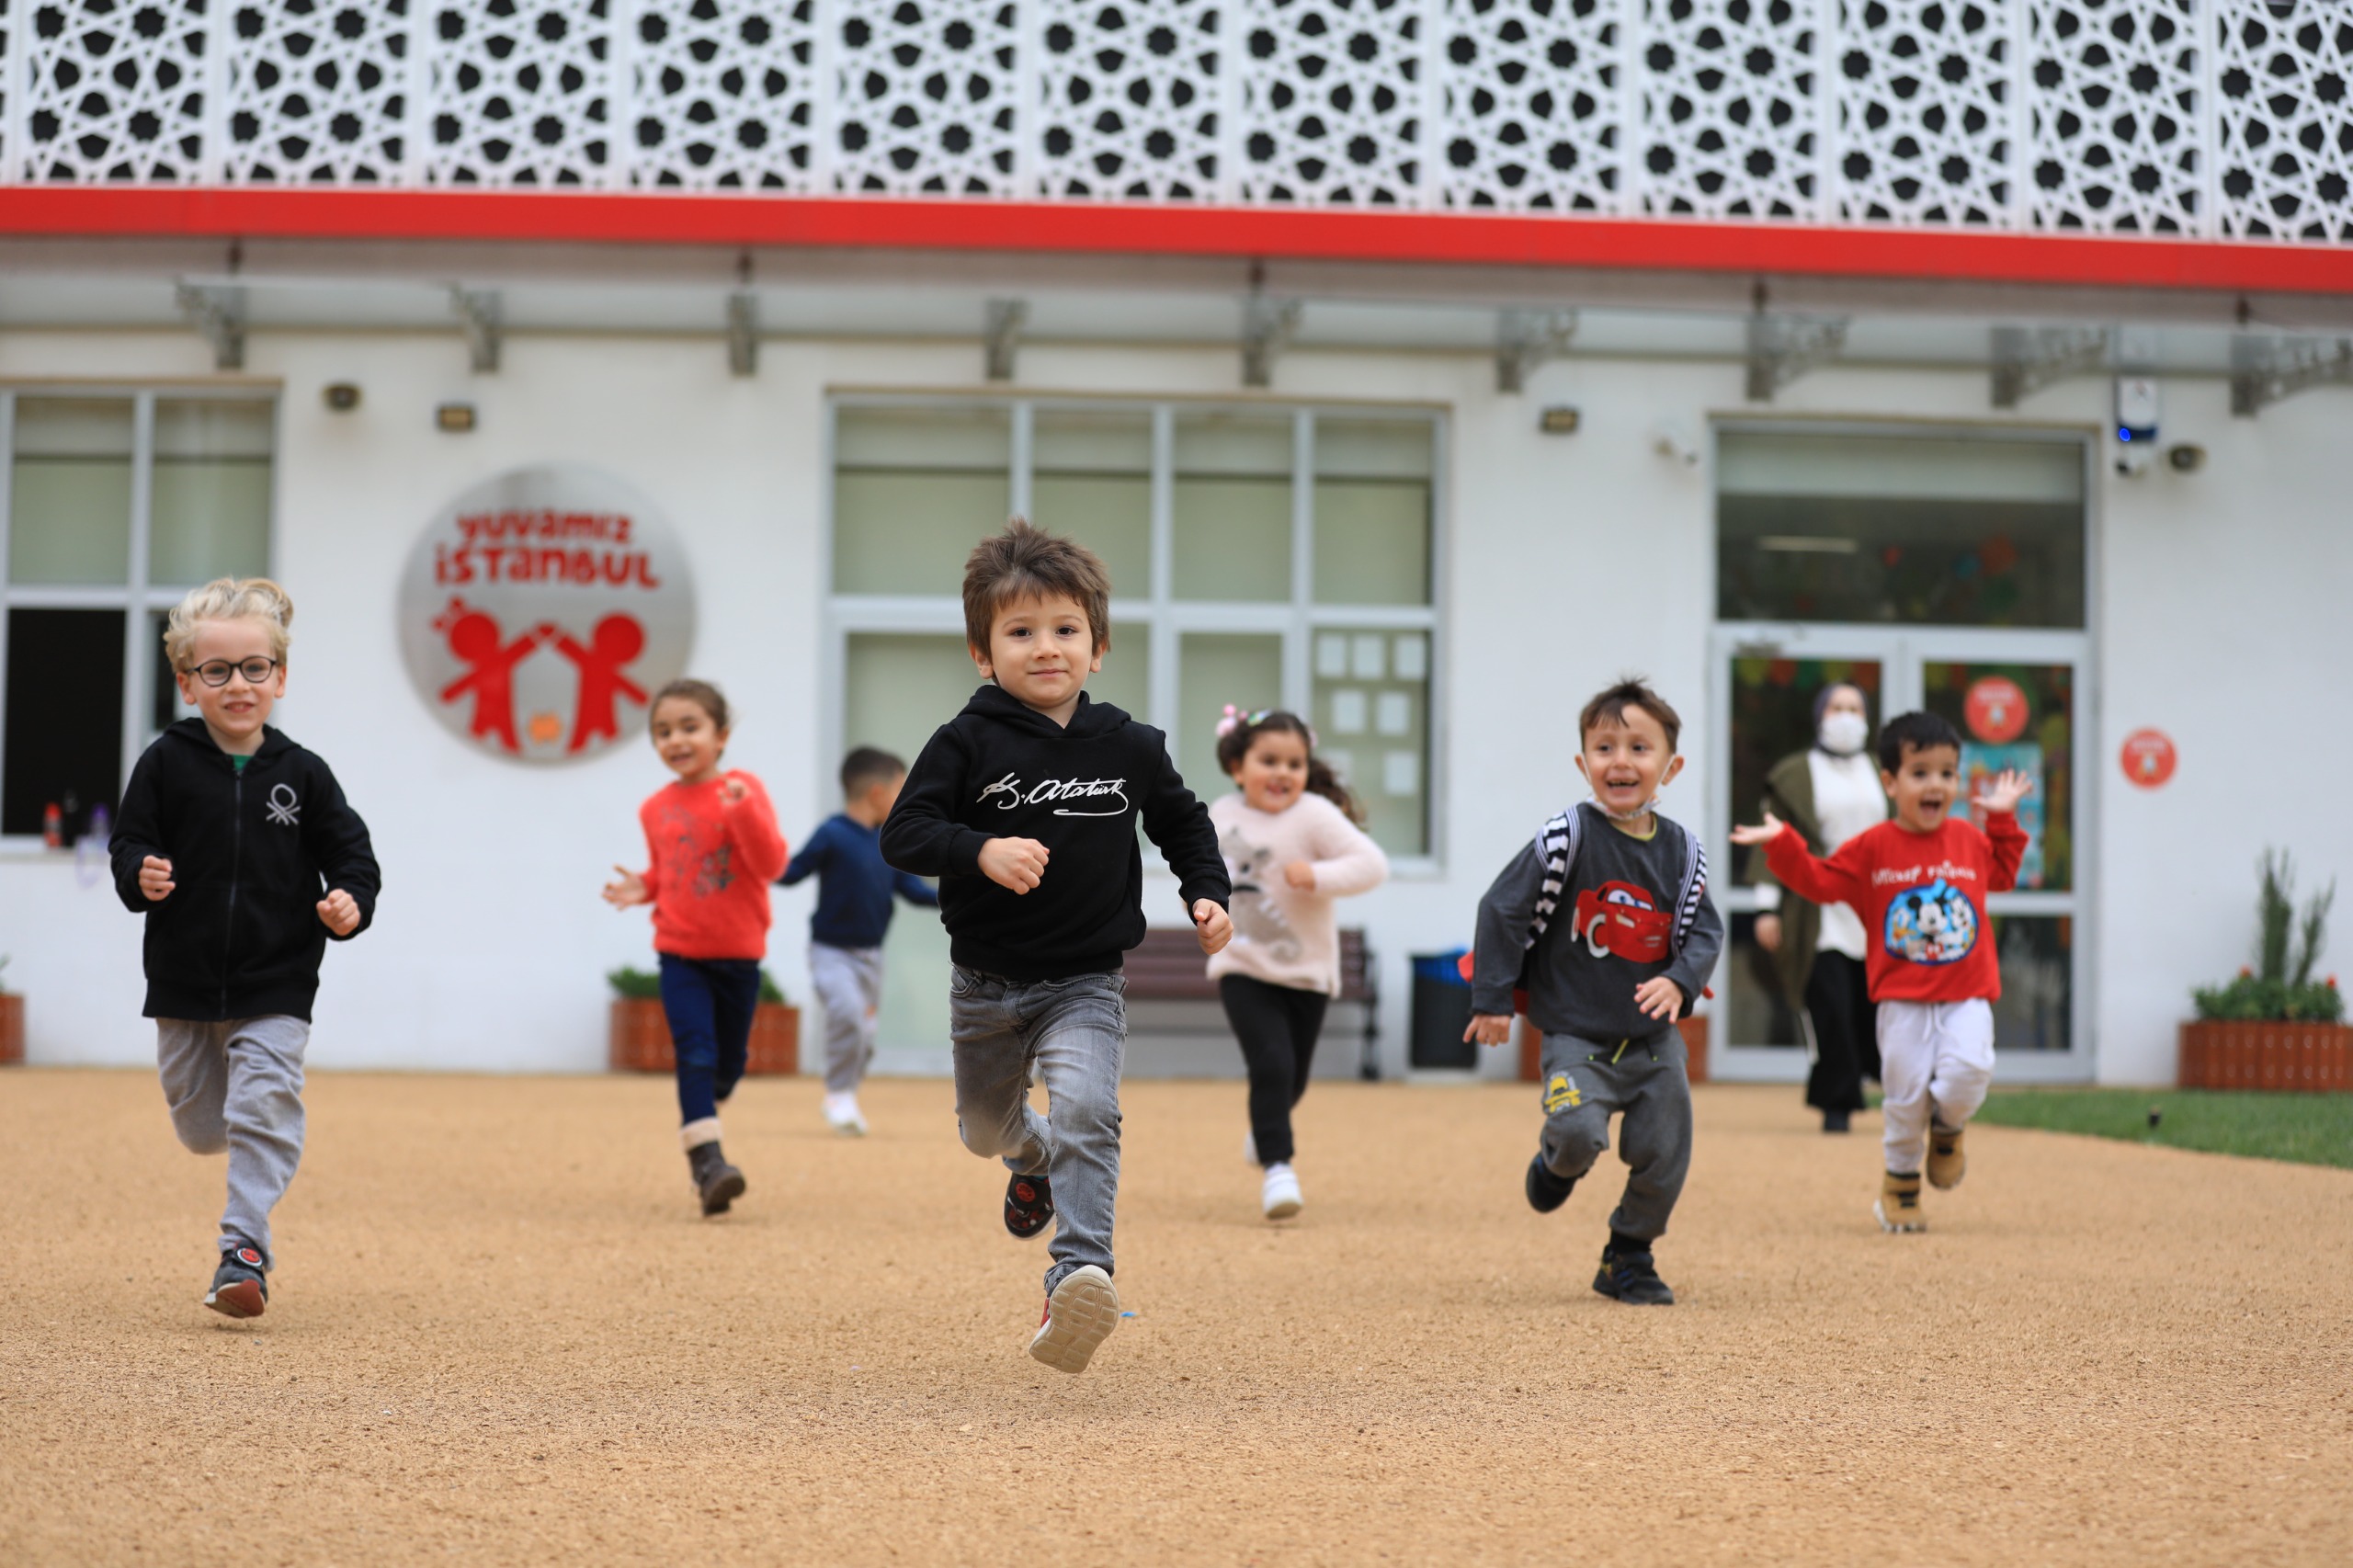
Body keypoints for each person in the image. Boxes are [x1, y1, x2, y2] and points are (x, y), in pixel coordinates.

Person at [881, 518, 1232, 1374]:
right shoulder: (966, 742)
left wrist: (1207, 890)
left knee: (1088, 1109)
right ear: (982, 651)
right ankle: (1029, 1163)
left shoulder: (1132, 746)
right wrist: (979, 850)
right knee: (982, 1131)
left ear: (1099, 646)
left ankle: (1079, 1273)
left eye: (1066, 630)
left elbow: (1184, 824)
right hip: (985, 988)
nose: (1047, 648)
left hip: (1085, 983)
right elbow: (906, 833)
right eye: (1021, 632)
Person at [109, 578, 381, 1320]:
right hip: (184, 979)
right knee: (203, 1129)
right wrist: (141, 872)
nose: (238, 684)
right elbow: (128, 841)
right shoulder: (165, 763)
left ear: (280, 676)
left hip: (278, 978)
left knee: (263, 1102)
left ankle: (244, 1251)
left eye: (255, 668)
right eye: (217, 670)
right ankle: (246, 1138)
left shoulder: (304, 773)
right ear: (187, 682)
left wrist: (350, 902)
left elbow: (353, 855)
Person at [1466, 678, 1722, 1307]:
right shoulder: (1566, 837)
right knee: (1578, 1131)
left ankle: (1628, 1254)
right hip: (1576, 1036)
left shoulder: (1685, 853)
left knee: (1666, 1151)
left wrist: (1679, 980)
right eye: (1605, 748)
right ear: (1584, 764)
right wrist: (1493, 1000)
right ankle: (1556, 1164)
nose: (1621, 761)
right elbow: (1502, 908)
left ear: (1671, 766)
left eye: (1639, 747)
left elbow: (1707, 931)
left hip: (1653, 1042)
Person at [1732, 710, 2030, 1233]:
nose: (1934, 783)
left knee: (1969, 1072)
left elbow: (2003, 874)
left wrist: (2003, 819)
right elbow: (1822, 883)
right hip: (1901, 1001)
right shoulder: (1874, 847)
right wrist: (1784, 842)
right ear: (1890, 782)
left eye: (1946, 772)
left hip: (1966, 995)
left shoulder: (1966, 839)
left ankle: (1949, 1129)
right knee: (1906, 1094)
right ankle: (1900, 1184)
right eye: (1920, 773)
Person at [602, 679, 788, 1217]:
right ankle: (708, 1163)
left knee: (729, 1061)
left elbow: (770, 864)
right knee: (695, 1051)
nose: (676, 740)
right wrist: (646, 886)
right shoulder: (654, 808)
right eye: (663, 731)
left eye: (690, 727)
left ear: (720, 735)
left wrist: (742, 812)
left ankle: (713, 1098)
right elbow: (670, 870)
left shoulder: (742, 789)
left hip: (739, 954)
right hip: (679, 953)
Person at [1207, 706, 1388, 1221]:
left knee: (1293, 1082)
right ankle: (1278, 1168)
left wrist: (1319, 875)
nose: (1283, 773)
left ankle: (1267, 1128)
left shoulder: (1313, 814)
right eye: (1269, 760)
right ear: (1239, 766)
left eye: (1295, 763)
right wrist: (1203, 908)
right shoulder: (1223, 814)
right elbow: (1198, 871)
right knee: (1272, 1063)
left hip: (1307, 972)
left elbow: (1372, 865)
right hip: (1242, 964)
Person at [779, 746, 939, 1136]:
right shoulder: (832, 833)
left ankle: (846, 1092)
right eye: (901, 791)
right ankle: (837, 1094)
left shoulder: (890, 842)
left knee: (864, 1037)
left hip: (871, 958)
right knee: (847, 1013)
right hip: (830, 952)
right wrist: (754, 861)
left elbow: (914, 891)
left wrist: (963, 898)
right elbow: (792, 871)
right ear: (877, 794)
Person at [1752, 682, 1887, 1132]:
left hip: (1875, 906)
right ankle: (1837, 1105)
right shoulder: (1794, 773)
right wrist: (1766, 908)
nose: (1846, 716)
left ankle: (1890, 1086)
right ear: (1819, 715)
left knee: (1875, 1006)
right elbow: (1771, 840)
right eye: (1836, 707)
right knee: (1831, 1003)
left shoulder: (1883, 771)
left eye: (1855, 707)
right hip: (1818, 905)